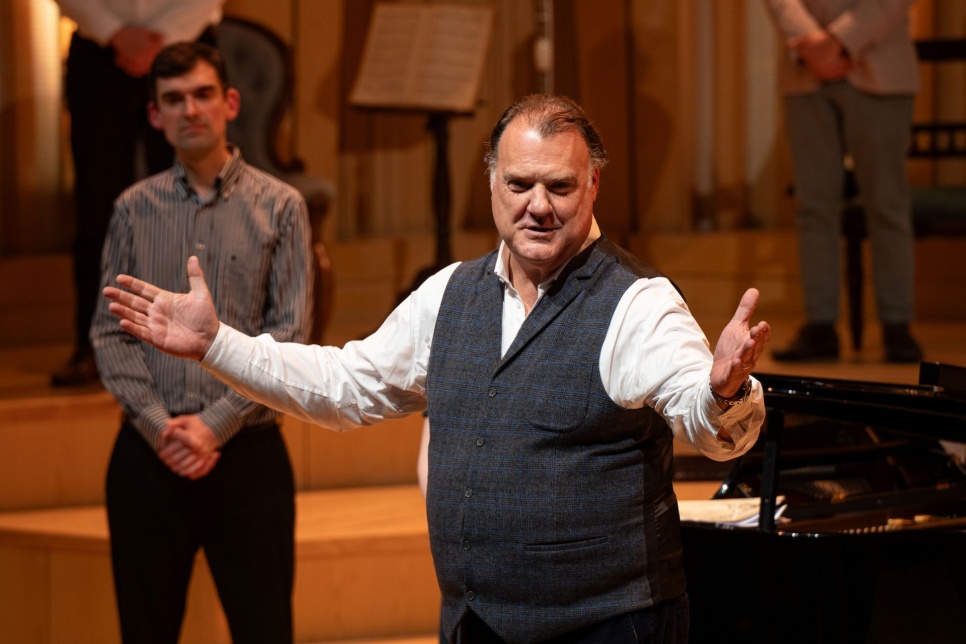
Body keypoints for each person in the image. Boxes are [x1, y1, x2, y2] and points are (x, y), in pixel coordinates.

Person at [103, 94, 770, 643]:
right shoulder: (447, 293)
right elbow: (345, 385)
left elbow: (709, 425)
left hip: (610, 627)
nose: (538, 205)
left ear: (593, 183)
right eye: (519, 183)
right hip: (474, 624)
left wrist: (724, 391)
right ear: (491, 184)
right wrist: (216, 342)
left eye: (559, 186)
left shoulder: (637, 303)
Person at [90, 42, 313, 643]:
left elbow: (289, 333)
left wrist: (216, 424)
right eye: (172, 99)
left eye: (202, 94)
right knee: (146, 630)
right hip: (149, 452)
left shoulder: (283, 206)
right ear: (155, 116)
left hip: (249, 454)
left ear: (230, 103)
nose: (190, 109)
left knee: (264, 630)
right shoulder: (131, 210)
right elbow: (108, 332)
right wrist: (162, 425)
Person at [51, 0, 225, 386]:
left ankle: (203, 339)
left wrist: (164, 38)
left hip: (187, 44)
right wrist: (114, 32)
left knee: (195, 199)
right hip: (99, 53)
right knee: (98, 207)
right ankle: (97, 344)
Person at [763, 0, 923, 363]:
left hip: (881, 63)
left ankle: (897, 325)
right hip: (805, 72)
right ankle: (820, 326)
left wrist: (839, 40)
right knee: (813, 207)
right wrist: (811, 42)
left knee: (887, 206)